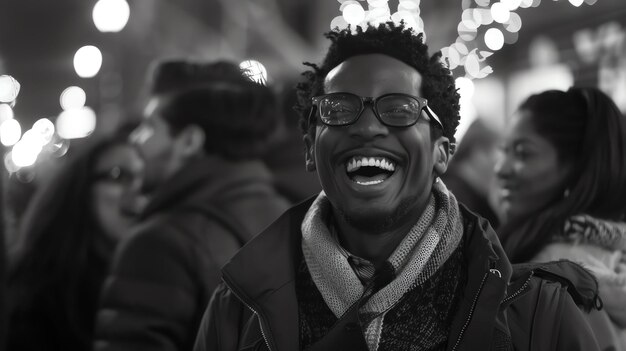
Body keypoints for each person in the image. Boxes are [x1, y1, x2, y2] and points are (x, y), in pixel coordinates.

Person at [193, 23, 601, 351]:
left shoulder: (537, 315)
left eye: (400, 110)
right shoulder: (237, 312)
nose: (368, 127)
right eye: (338, 109)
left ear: (442, 153)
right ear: (309, 150)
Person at [94, 60, 290, 351]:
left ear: (188, 141)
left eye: (149, 126)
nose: (136, 139)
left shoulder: (159, 244)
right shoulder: (293, 221)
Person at [495, 87, 626, 350]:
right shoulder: (609, 254)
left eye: (523, 153)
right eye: (503, 151)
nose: (501, 169)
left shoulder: (554, 274)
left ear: (574, 169)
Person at [6, 125, 144, 351]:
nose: (138, 190)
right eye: (119, 175)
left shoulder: (147, 277)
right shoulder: (39, 294)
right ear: (79, 189)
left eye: (145, 180)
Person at [441, 119, 500, 227]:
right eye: (500, 151)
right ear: (479, 153)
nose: (501, 165)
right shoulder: (458, 198)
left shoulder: (450, 187)